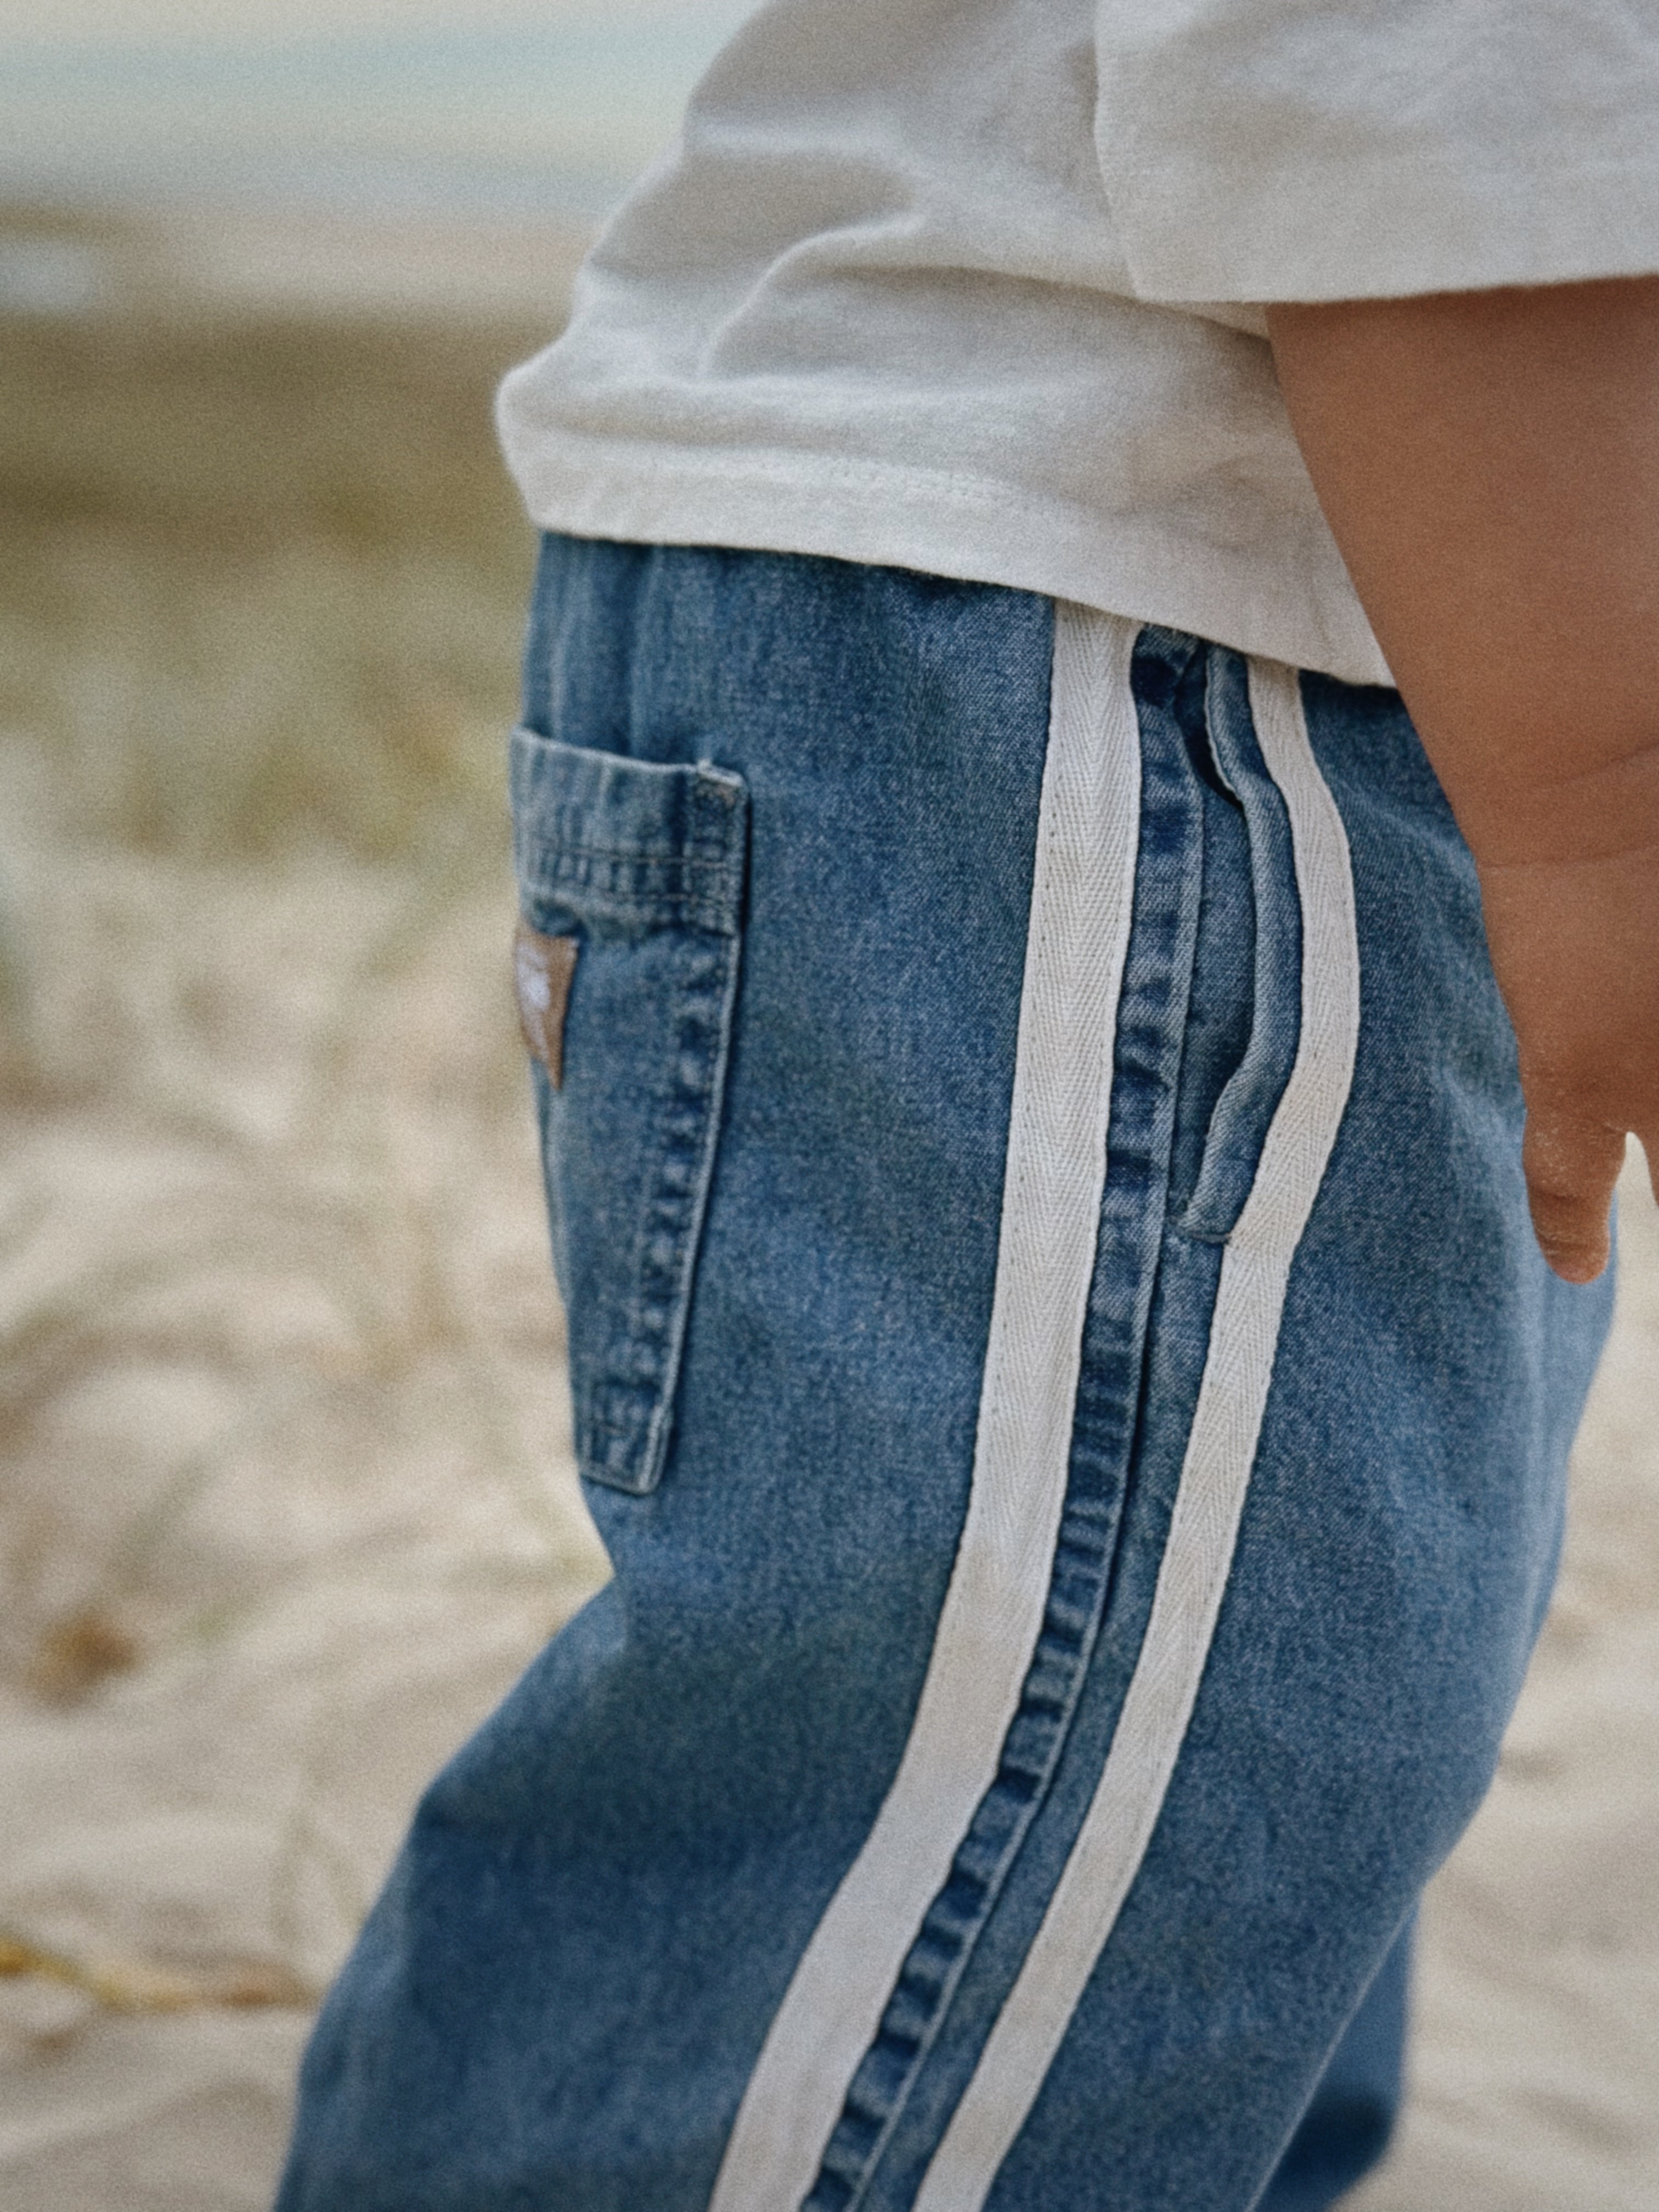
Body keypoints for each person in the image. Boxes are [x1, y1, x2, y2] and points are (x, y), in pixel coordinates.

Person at [275, 4, 1657, 2207]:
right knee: (988, 1844)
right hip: (1142, 678)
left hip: (1186, 659)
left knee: (1209, 1807)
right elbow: (1411, 75)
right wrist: (1608, 811)